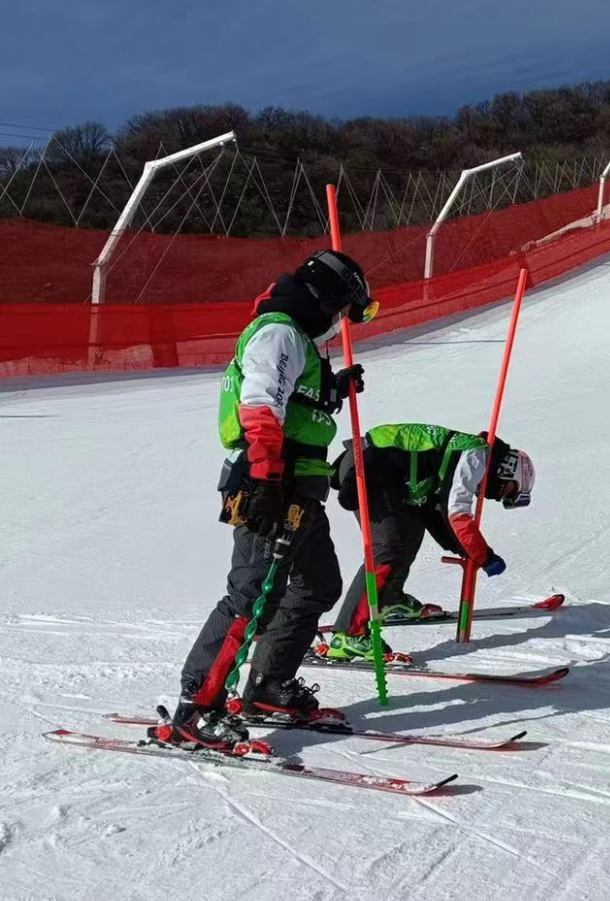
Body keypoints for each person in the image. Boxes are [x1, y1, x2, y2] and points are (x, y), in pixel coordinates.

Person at [165, 249, 375, 748]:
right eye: (344, 308)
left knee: (317, 584)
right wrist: (264, 479)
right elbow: (260, 403)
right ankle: (197, 708)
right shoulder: (280, 331)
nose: (340, 320)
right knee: (252, 595)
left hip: (302, 484)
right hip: (273, 483)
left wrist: (335, 388)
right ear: (326, 296)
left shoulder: (298, 338)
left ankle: (268, 686)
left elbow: (294, 399)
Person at [318, 425, 535, 661]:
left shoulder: (471, 456)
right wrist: (484, 556)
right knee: (389, 546)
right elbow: (457, 514)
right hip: (369, 464)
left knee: (409, 531)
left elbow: (436, 513)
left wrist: (465, 549)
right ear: (507, 469)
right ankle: (349, 634)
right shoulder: (475, 456)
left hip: (385, 473)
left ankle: (388, 599)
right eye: (510, 491)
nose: (500, 496)